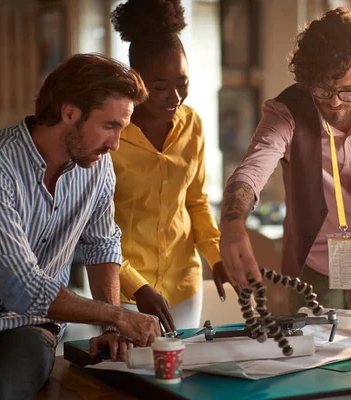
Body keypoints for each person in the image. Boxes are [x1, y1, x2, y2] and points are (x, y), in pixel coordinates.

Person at [0, 53, 161, 400]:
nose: (115, 143)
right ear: (69, 112)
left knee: (0, 392)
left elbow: (101, 245)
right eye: (110, 125)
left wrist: (110, 328)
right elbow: (22, 287)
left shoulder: (99, 168)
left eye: (122, 128)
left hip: (27, 328)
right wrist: (117, 315)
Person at [220, 7, 351, 330]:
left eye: (348, 91)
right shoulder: (286, 111)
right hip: (311, 259)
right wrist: (233, 224)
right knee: (310, 353)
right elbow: (251, 170)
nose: (333, 102)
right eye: (322, 91)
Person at [110, 0, 231, 332]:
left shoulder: (192, 124)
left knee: (179, 373)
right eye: (161, 87)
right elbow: (95, 226)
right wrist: (135, 284)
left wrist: (217, 257)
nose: (176, 96)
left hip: (183, 285)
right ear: (136, 80)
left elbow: (196, 202)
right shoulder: (112, 132)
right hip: (124, 287)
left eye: (183, 82)